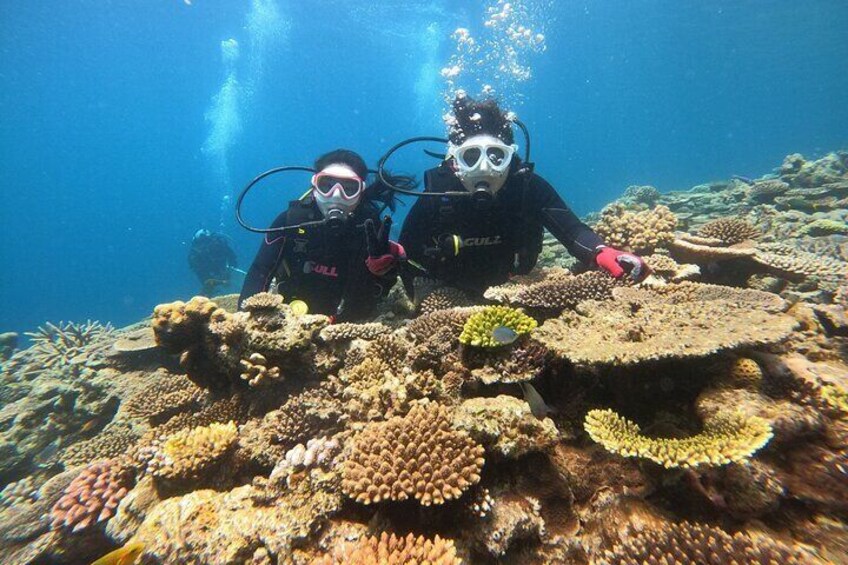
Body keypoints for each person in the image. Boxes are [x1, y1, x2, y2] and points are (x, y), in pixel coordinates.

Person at [399, 94, 648, 295]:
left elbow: (572, 231)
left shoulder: (527, 187)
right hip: (450, 294)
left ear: (511, 157)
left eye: (496, 156)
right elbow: (405, 252)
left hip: (517, 287)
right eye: (471, 157)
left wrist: (600, 251)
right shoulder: (438, 192)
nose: (484, 168)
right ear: (455, 162)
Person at [238, 149, 411, 321]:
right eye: (326, 185)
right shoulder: (291, 220)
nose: (336, 195)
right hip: (288, 319)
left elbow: (377, 291)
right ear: (314, 186)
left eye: (349, 188)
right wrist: (245, 321)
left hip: (349, 323)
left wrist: (385, 271)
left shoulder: (370, 229)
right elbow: (260, 270)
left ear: (360, 192)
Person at [188, 229, 238, 296]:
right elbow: (198, 270)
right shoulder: (196, 255)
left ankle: (217, 287)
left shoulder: (218, 245)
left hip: (219, 269)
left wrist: (230, 269)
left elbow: (231, 256)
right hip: (211, 270)